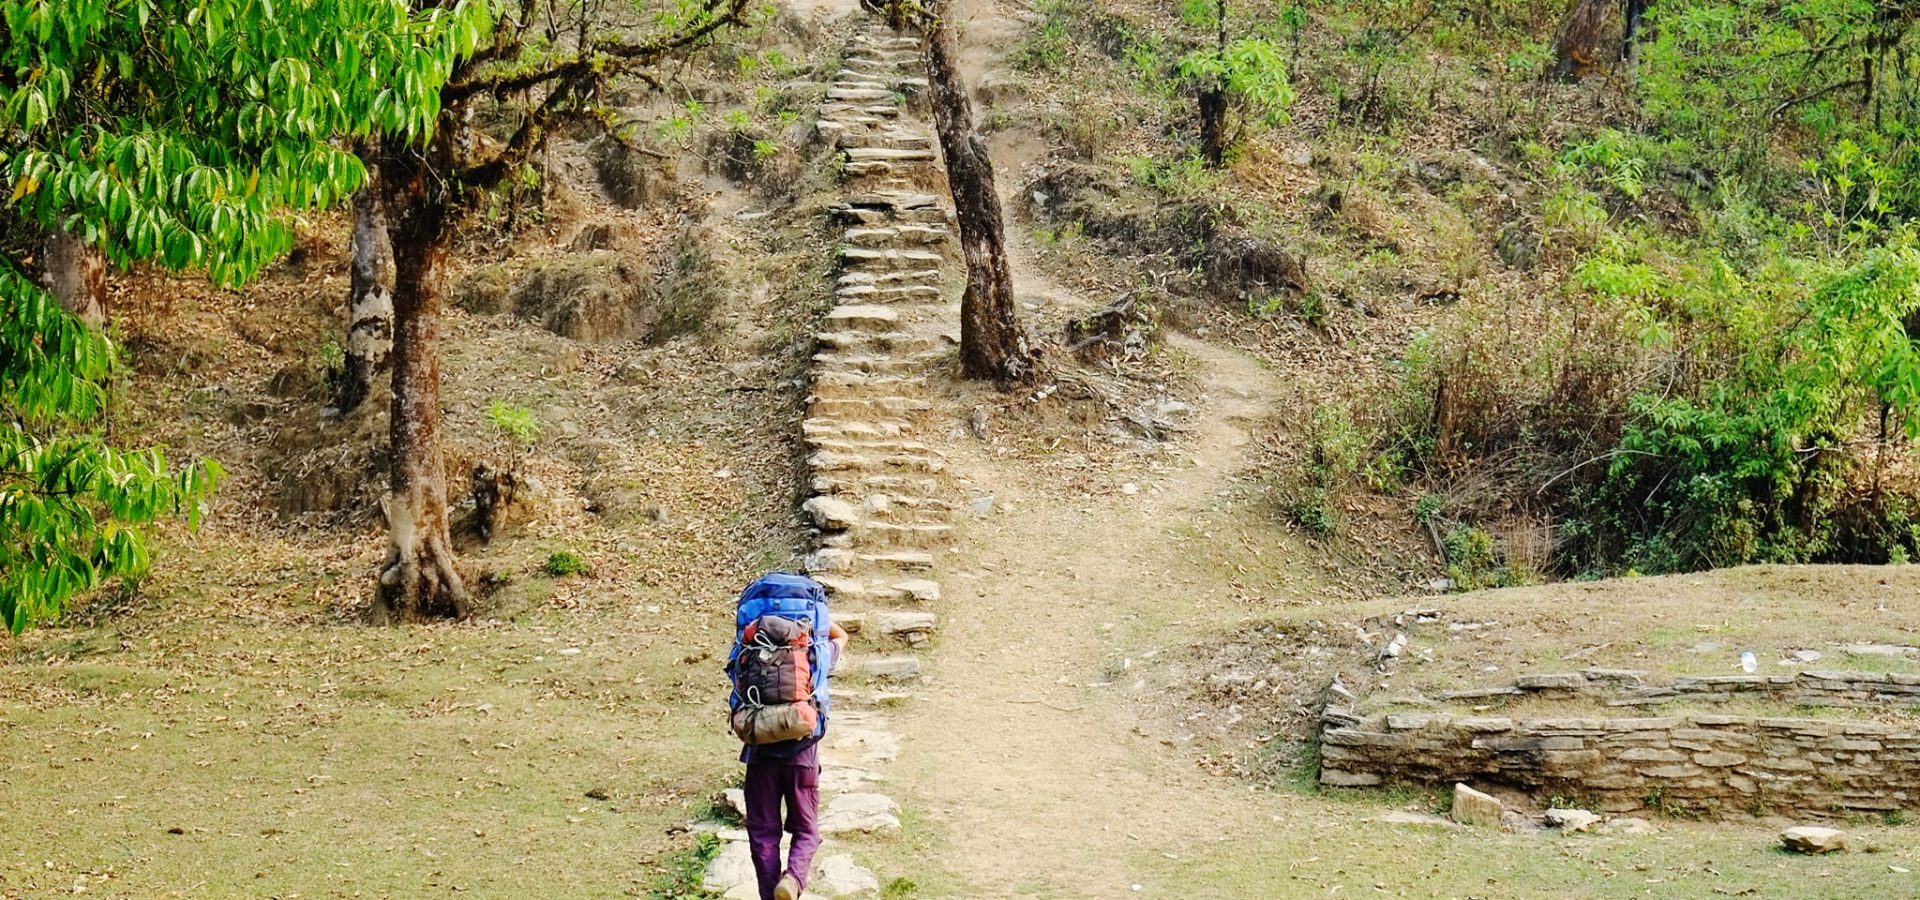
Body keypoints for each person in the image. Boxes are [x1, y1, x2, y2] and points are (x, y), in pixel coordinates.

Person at [729, 574, 849, 900]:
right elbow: (843, 636)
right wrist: (816, 625)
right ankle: (794, 879)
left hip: (759, 750)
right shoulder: (814, 648)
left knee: (763, 832)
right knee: (807, 830)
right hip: (803, 750)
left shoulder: (752, 641)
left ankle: (770, 895)